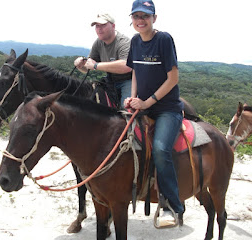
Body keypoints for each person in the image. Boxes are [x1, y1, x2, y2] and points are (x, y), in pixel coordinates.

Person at [124, 0, 184, 227]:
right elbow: (136, 72)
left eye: (145, 16)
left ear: (154, 18)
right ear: (131, 19)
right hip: (142, 104)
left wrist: (147, 102)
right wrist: (132, 97)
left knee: (160, 149)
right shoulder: (135, 41)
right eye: (136, 16)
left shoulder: (164, 39)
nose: (140, 21)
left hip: (166, 108)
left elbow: (173, 79)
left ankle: (171, 206)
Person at [74, 13, 132, 108]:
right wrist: (80, 65)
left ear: (113, 26)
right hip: (109, 81)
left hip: (128, 80)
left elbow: (126, 66)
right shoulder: (98, 42)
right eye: (97, 26)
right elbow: (87, 68)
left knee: (127, 109)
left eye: (103, 25)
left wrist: (96, 65)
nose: (99, 29)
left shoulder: (124, 42)